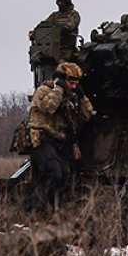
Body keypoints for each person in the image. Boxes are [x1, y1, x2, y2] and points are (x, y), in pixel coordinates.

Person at [26, 60, 94, 210]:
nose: (74, 86)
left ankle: (50, 209)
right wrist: (59, 90)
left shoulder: (73, 97)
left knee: (64, 176)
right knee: (53, 171)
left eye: (77, 82)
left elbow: (87, 116)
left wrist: (82, 98)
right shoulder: (44, 90)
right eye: (71, 82)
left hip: (59, 142)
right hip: (41, 139)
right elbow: (49, 107)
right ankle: (33, 208)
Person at [28, 0, 81, 86]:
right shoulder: (55, 15)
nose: (60, 6)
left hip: (67, 48)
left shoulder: (73, 14)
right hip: (53, 48)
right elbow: (45, 24)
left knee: (64, 67)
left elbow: (71, 25)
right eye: (58, 3)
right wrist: (36, 31)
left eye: (62, 3)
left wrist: (63, 29)